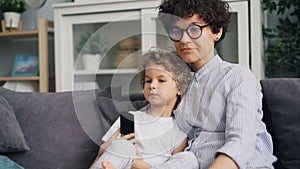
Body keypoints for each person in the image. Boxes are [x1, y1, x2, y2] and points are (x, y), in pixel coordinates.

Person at [130, 0, 276, 169]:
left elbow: (240, 145)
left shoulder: (238, 77)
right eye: (177, 31)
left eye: (194, 29)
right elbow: (147, 117)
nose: (183, 39)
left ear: (217, 32)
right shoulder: (177, 84)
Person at [89, 49, 194, 169]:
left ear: (180, 88)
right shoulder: (130, 119)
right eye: (148, 81)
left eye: (161, 80)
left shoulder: (179, 132)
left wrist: (137, 163)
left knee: (189, 159)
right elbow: (102, 160)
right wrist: (103, 151)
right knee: (122, 146)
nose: (152, 85)